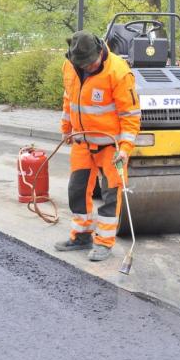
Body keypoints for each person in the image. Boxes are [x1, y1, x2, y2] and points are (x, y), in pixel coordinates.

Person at [54, 30, 141, 262]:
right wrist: (66, 129)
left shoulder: (119, 72)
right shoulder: (71, 67)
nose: (87, 68)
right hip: (82, 141)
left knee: (111, 195)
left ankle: (103, 242)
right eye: (82, 64)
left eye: (90, 63)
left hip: (111, 147)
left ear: (100, 52)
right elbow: (68, 100)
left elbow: (130, 116)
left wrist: (124, 149)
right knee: (77, 190)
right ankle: (81, 236)